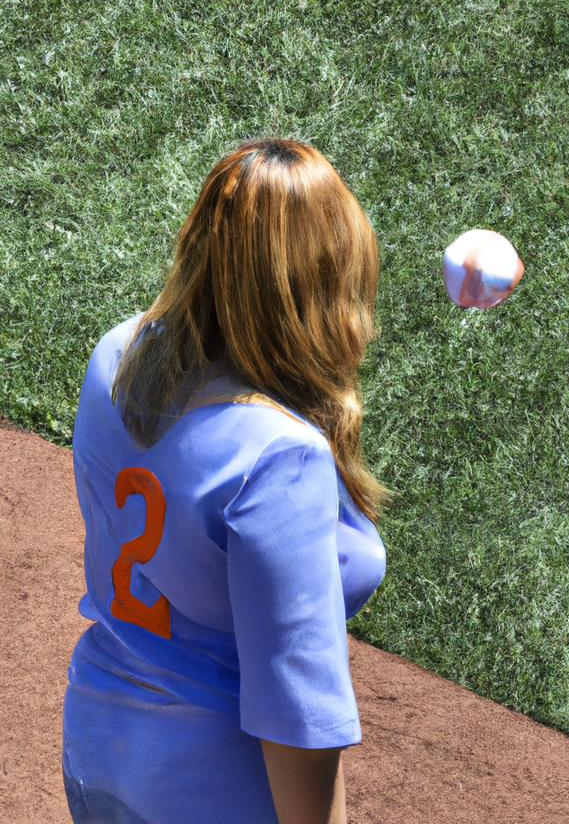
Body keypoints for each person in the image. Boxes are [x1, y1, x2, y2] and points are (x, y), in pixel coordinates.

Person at [62, 137, 387, 824]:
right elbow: (295, 717)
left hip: (97, 742)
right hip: (212, 790)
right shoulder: (278, 459)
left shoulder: (116, 357)